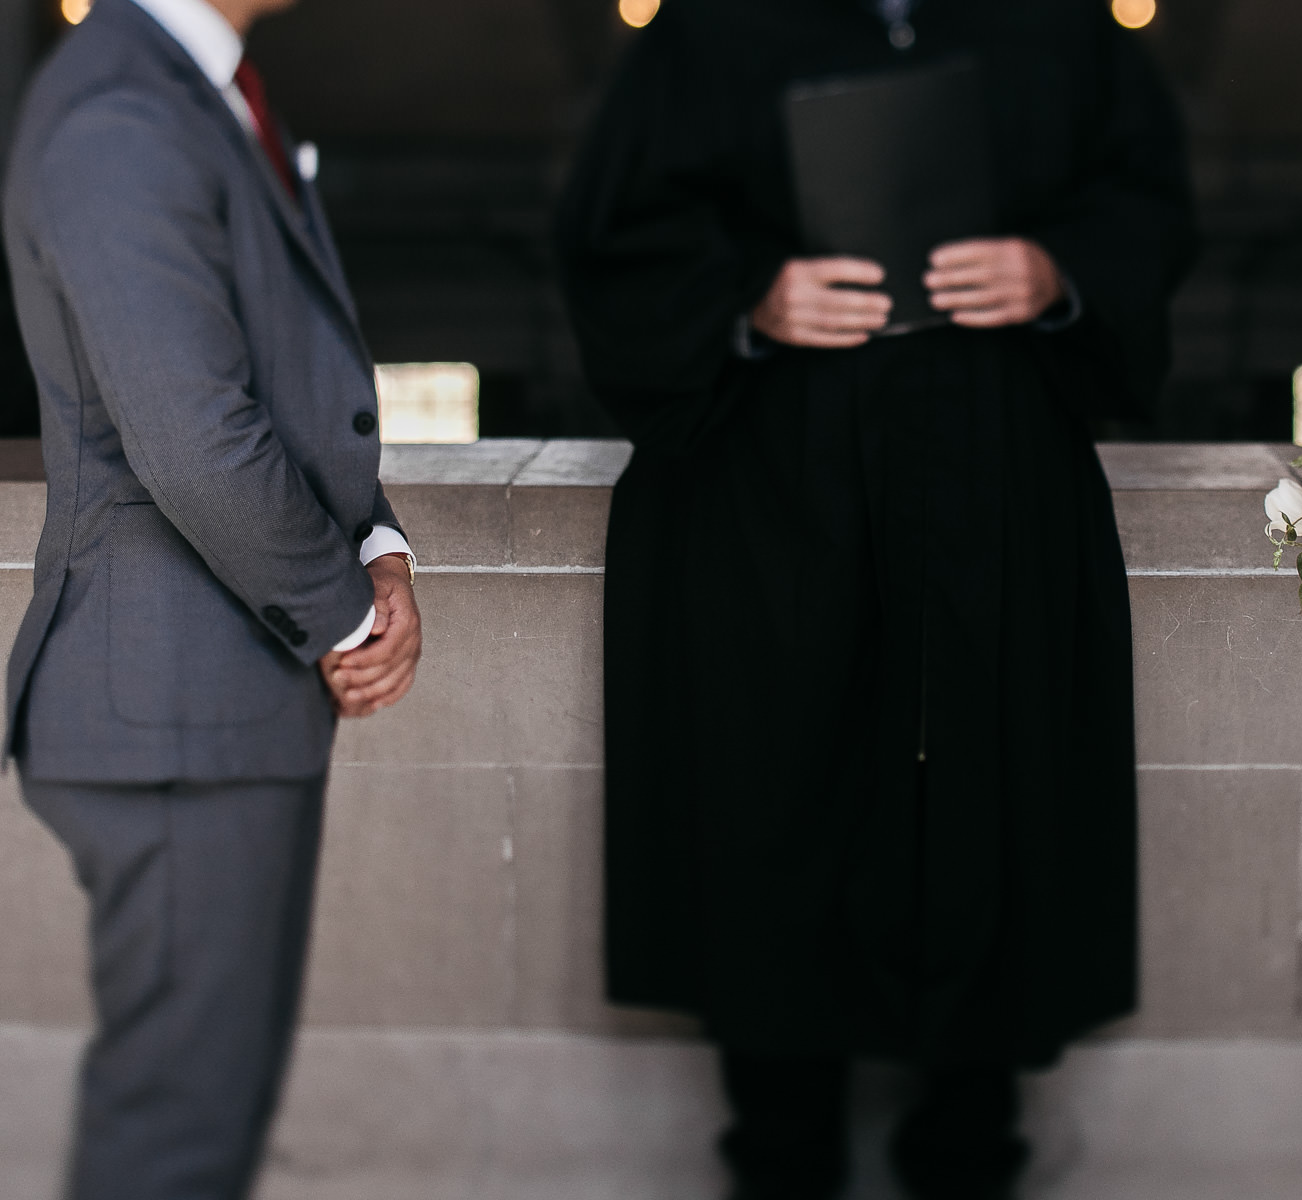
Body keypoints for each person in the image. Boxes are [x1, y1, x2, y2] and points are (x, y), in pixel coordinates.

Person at [556, 1, 1196, 1196]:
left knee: (989, 795)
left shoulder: (1057, 27)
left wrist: (1058, 274)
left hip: (993, 474)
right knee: (769, 798)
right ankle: (779, 1154)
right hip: (770, 486)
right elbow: (614, 230)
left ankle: (969, 1148)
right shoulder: (710, 31)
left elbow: (1148, 201)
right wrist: (751, 303)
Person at [1, 0, 424, 1195]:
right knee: (177, 1138)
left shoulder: (204, 84)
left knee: (206, 1125)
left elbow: (280, 378)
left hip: (208, 704)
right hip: (170, 706)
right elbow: (193, 438)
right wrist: (343, 614)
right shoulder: (122, 112)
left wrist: (379, 541)